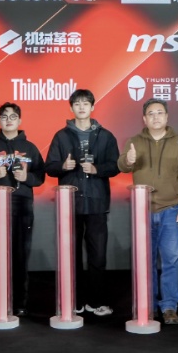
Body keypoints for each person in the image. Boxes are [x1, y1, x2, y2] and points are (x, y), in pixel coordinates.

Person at [117, 99, 178, 325]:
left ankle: (169, 306)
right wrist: (128, 160)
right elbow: (122, 165)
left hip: (172, 210)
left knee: (171, 260)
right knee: (145, 261)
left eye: (159, 113)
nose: (155, 117)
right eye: (150, 113)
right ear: (144, 119)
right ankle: (147, 305)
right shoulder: (134, 142)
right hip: (142, 212)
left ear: (167, 116)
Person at [44, 89, 120, 317]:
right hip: (71, 204)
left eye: (86, 103)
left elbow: (115, 165)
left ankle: (96, 302)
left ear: (92, 107)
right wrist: (62, 167)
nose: (81, 107)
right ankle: (74, 302)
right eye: (77, 104)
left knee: (98, 256)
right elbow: (49, 167)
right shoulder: (61, 136)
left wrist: (97, 169)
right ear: (71, 108)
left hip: (97, 203)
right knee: (71, 256)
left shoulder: (106, 136)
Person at [0, 103, 46, 314]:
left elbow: (40, 176)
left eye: (13, 117)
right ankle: (0, 302)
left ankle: (19, 303)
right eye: (4, 117)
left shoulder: (30, 148)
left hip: (22, 208)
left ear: (19, 120)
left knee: (20, 256)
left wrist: (27, 177)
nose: (9, 120)